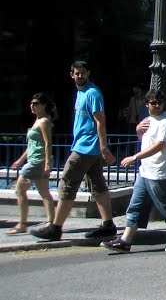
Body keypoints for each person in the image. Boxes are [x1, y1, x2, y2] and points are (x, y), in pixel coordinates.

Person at [100, 90, 166, 253]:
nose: (157, 106)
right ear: (146, 104)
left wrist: (134, 157)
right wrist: (138, 130)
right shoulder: (147, 121)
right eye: (153, 103)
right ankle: (125, 241)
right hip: (145, 172)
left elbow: (160, 145)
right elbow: (145, 141)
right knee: (136, 206)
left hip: (159, 173)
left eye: (159, 103)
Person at [31, 61, 117, 242]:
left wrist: (104, 147)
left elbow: (100, 121)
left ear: (88, 73)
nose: (80, 76)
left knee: (67, 182)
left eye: (83, 73)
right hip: (88, 148)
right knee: (98, 185)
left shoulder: (92, 93)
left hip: (85, 147)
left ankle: (55, 228)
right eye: (77, 73)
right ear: (71, 75)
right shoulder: (80, 93)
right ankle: (108, 225)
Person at [7, 93, 56, 235]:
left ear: (43, 105)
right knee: (44, 192)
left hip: (38, 161)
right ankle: (51, 222)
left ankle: (23, 224)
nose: (32, 106)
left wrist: (47, 164)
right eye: (31, 103)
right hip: (34, 159)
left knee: (19, 190)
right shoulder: (37, 120)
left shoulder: (44, 121)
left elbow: (47, 143)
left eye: (36, 104)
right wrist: (20, 160)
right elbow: (31, 146)